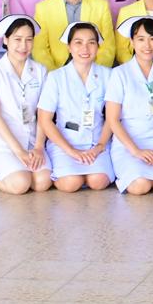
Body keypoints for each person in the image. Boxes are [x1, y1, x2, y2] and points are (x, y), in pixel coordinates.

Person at [106, 16, 153, 195]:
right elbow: (112, 119)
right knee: (140, 186)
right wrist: (136, 151)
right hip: (128, 141)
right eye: (140, 39)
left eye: (152, 39)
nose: (147, 45)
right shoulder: (119, 74)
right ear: (131, 42)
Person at [37, 22, 115, 192]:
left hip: (96, 142)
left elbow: (112, 117)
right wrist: (71, 151)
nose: (85, 48)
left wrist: (100, 146)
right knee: (70, 183)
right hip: (65, 143)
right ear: (69, 47)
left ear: (98, 46)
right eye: (78, 42)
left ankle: (91, 168)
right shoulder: (56, 77)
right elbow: (45, 120)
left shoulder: (109, 75)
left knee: (98, 181)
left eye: (91, 42)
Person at [0, 14, 52, 195]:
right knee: (20, 184)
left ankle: (24, 164)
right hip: (3, 142)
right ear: (6, 40)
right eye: (17, 39)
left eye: (29, 40)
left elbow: (43, 113)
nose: (23, 46)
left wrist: (38, 147)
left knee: (42, 183)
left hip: (32, 141)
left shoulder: (40, 70)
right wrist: (19, 152)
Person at [32, 0, 119, 70]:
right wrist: (54, 74)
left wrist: (95, 72)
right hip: (58, 69)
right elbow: (39, 49)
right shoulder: (43, 8)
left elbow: (108, 47)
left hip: (94, 69)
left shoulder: (101, 6)